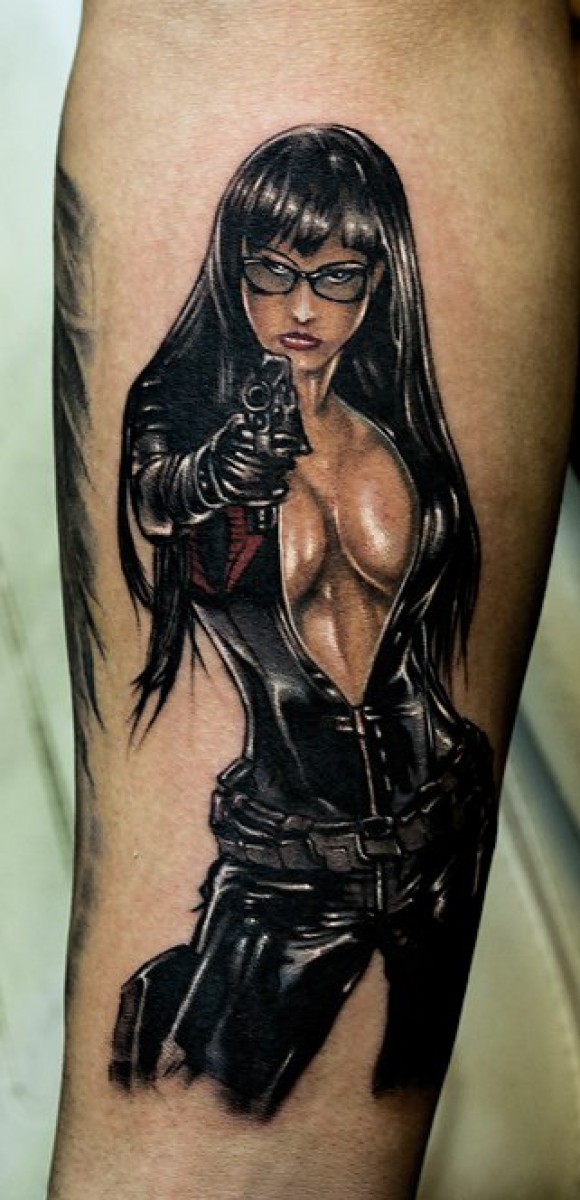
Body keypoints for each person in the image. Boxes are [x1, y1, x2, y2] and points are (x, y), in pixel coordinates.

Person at [109, 125, 496, 1117]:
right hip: (288, 866)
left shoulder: (400, 405)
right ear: (234, 268)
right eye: (272, 272)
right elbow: (157, 495)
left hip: (444, 836)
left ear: (378, 281)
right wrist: (219, 471)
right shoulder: (185, 400)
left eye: (336, 278)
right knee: (204, 1109)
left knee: (414, 1089)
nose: (300, 309)